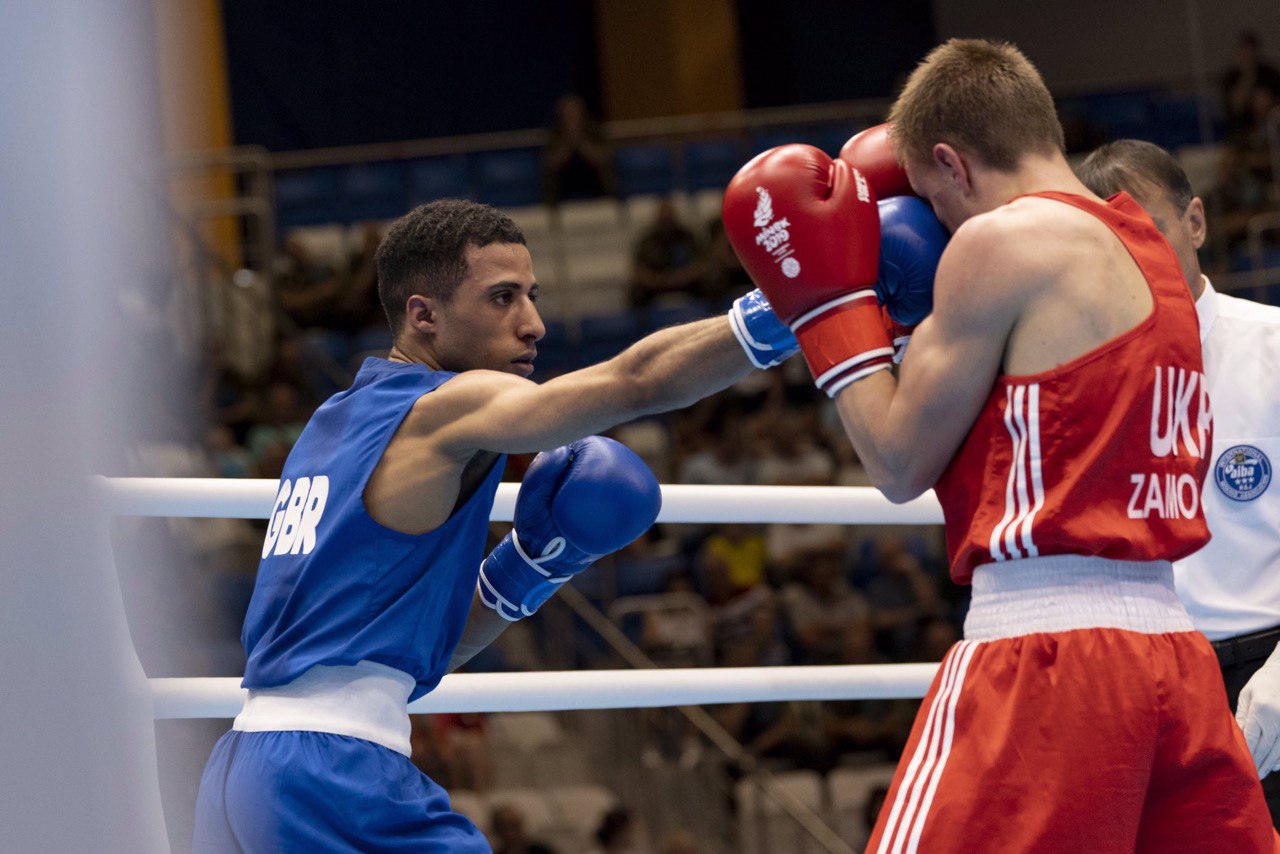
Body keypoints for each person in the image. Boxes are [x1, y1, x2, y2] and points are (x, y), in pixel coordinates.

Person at [722, 38, 1276, 852]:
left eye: (931, 200)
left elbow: (897, 460)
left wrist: (828, 305)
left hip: (1049, 649)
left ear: (952, 163)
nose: (937, 226)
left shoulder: (1001, 242)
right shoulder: (1155, 257)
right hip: (1172, 653)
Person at [191, 198, 799, 852]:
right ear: (424, 315)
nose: (534, 324)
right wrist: (796, 308)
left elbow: (411, 655)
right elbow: (636, 381)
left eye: (531, 296)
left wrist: (531, 567)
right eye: (503, 298)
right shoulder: (444, 406)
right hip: (334, 774)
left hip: (245, 770)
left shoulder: (333, 422)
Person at [1077, 138, 1280, 825]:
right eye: (1111, 241)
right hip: (1139, 678)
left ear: (1195, 222)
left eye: (1151, 229)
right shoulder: (1075, 375)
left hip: (1267, 658)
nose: (1134, 257)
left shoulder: (1275, 349)